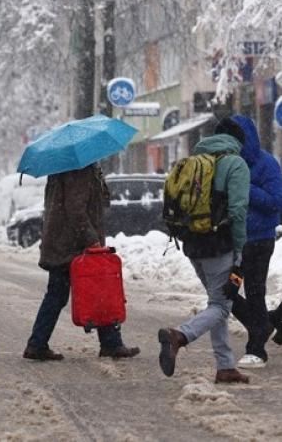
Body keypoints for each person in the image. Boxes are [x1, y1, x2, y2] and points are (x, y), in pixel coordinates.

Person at [158, 117, 251, 383]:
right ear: (238, 142)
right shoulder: (235, 164)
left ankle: (225, 365)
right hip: (220, 245)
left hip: (194, 244)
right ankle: (180, 335)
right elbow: (237, 211)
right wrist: (240, 250)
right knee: (221, 307)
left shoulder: (194, 162)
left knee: (217, 303)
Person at [23, 163, 140, 361]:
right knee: (77, 292)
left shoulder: (63, 169)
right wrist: (91, 239)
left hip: (64, 242)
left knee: (89, 290)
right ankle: (37, 344)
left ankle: (109, 342)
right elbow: (75, 209)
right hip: (71, 246)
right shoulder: (78, 170)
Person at [227, 115, 282, 368]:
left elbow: (275, 203)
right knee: (226, 291)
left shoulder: (266, 164)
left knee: (255, 290)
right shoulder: (226, 163)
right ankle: (263, 324)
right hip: (234, 244)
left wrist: (244, 186)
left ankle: (256, 348)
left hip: (259, 242)